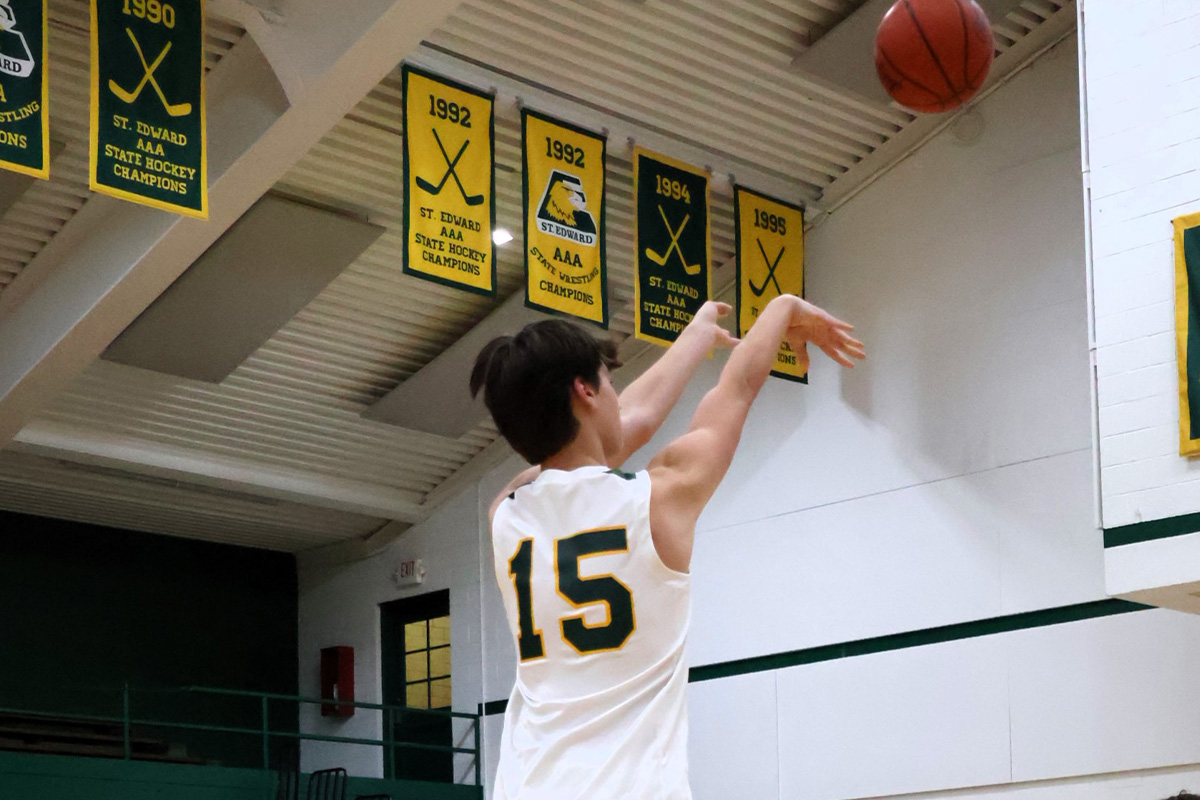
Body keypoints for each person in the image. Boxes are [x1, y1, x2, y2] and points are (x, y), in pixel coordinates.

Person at [471, 294, 864, 799]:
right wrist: (782, 309)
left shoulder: (504, 512)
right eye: (609, 382)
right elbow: (736, 390)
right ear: (585, 390)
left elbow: (612, 437)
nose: (618, 395)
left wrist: (697, 336)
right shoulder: (658, 500)